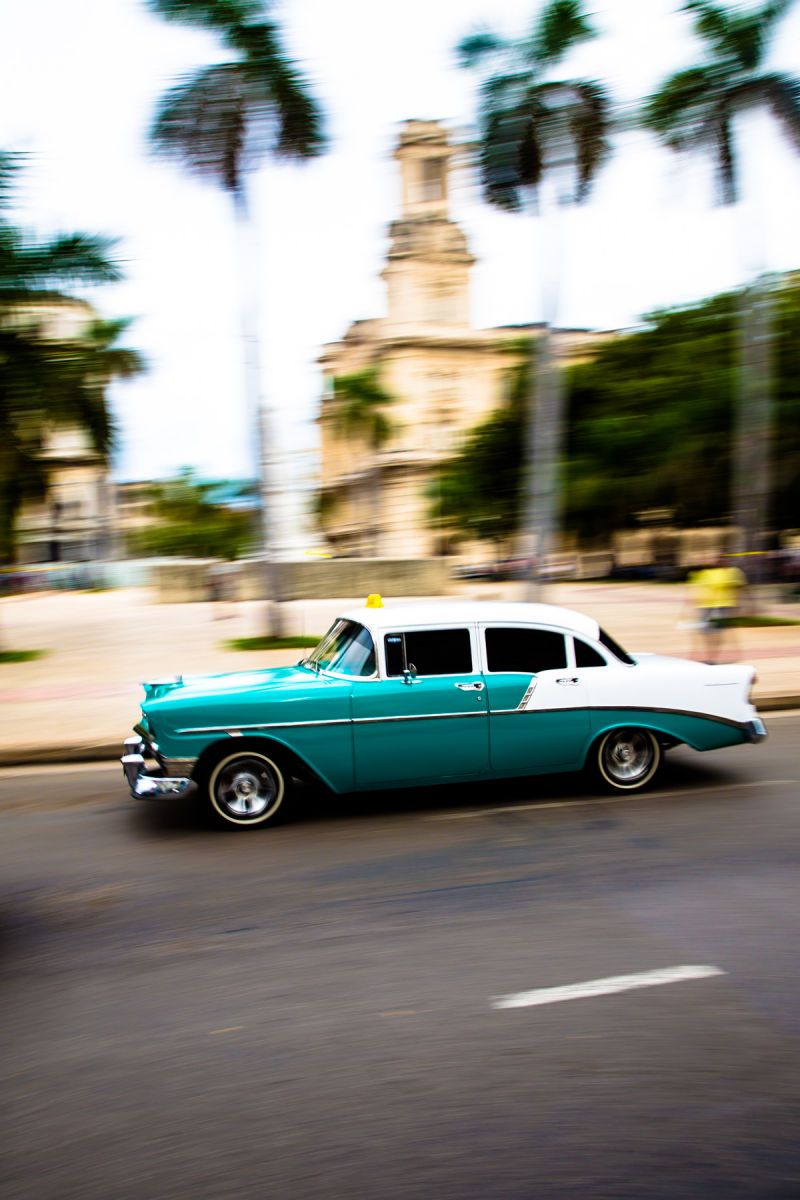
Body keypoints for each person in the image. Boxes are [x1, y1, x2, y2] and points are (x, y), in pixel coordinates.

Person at [685, 556, 747, 663]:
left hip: (724, 605)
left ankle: (713, 656)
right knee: (704, 631)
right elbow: (695, 587)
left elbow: (740, 588)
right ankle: (709, 655)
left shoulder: (733, 572)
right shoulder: (705, 573)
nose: (719, 562)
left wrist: (739, 604)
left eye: (722, 560)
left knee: (720, 632)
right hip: (705, 605)